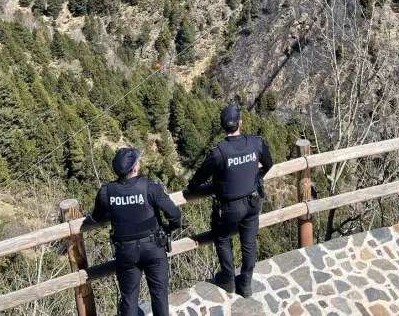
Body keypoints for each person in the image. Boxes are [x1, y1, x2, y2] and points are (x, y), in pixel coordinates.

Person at [187, 105, 273, 298]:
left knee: (222, 238)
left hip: (229, 207)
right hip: (253, 201)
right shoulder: (255, 143)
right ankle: (246, 283)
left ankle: (228, 279)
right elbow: (268, 164)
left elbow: (200, 176)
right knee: (249, 242)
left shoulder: (219, 152)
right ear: (240, 123)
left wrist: (192, 187)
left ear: (223, 127)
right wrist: (256, 174)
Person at [86, 148, 181, 316]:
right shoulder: (150, 187)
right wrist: (168, 228)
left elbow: (96, 217)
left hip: (125, 252)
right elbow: (174, 214)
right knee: (159, 296)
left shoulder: (106, 192)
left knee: (129, 300)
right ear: (135, 168)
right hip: (153, 247)